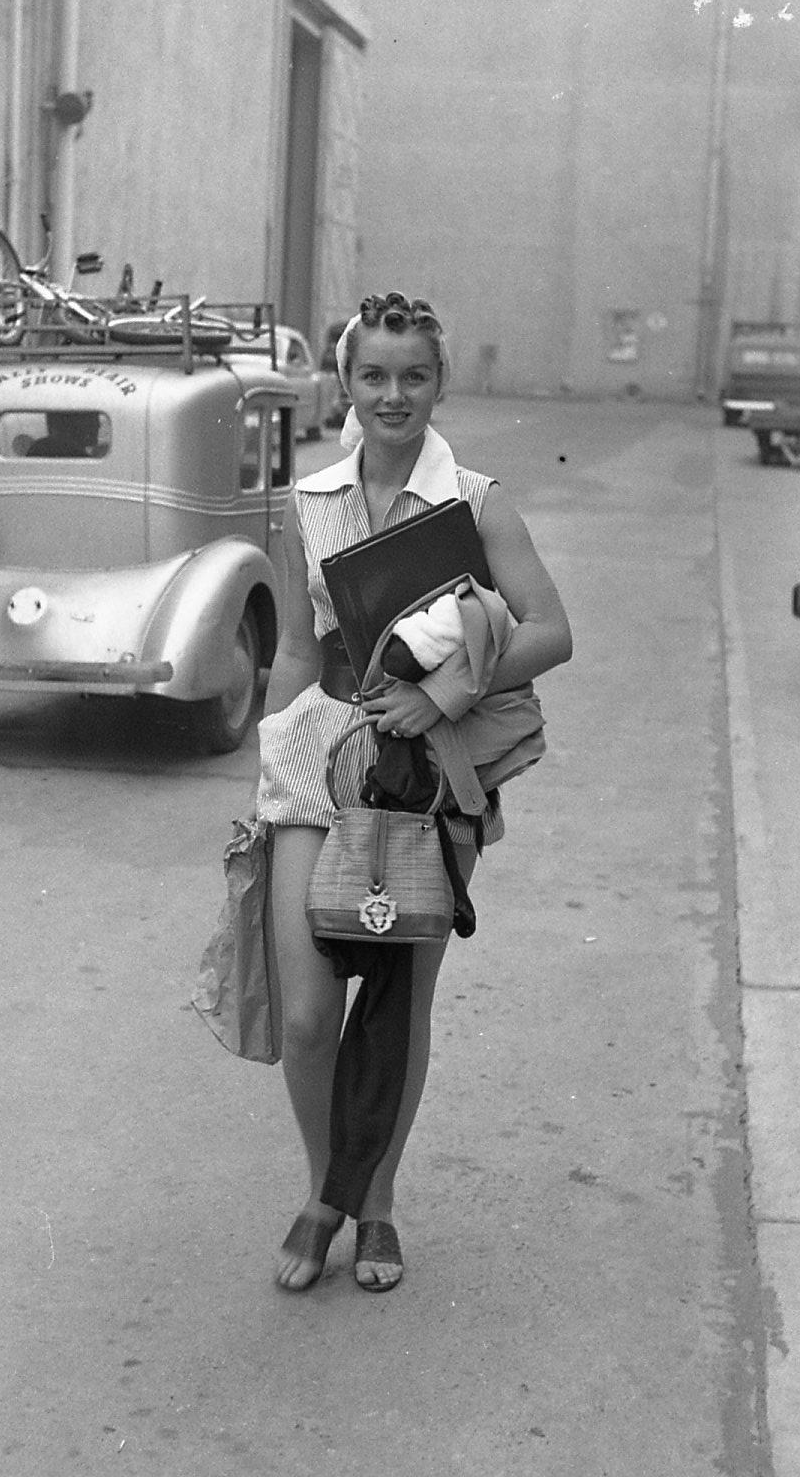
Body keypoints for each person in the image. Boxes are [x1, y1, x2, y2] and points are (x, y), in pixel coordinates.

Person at [256, 290, 572, 1293]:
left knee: (396, 1000)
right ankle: (326, 1190)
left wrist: (444, 691)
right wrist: (261, 775)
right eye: (373, 376)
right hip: (317, 758)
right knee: (307, 1013)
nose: (392, 395)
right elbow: (296, 654)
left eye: (413, 376)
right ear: (344, 383)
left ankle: (375, 1207)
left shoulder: (474, 503)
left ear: (439, 384)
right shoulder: (304, 503)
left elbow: (549, 630)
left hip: (430, 775)